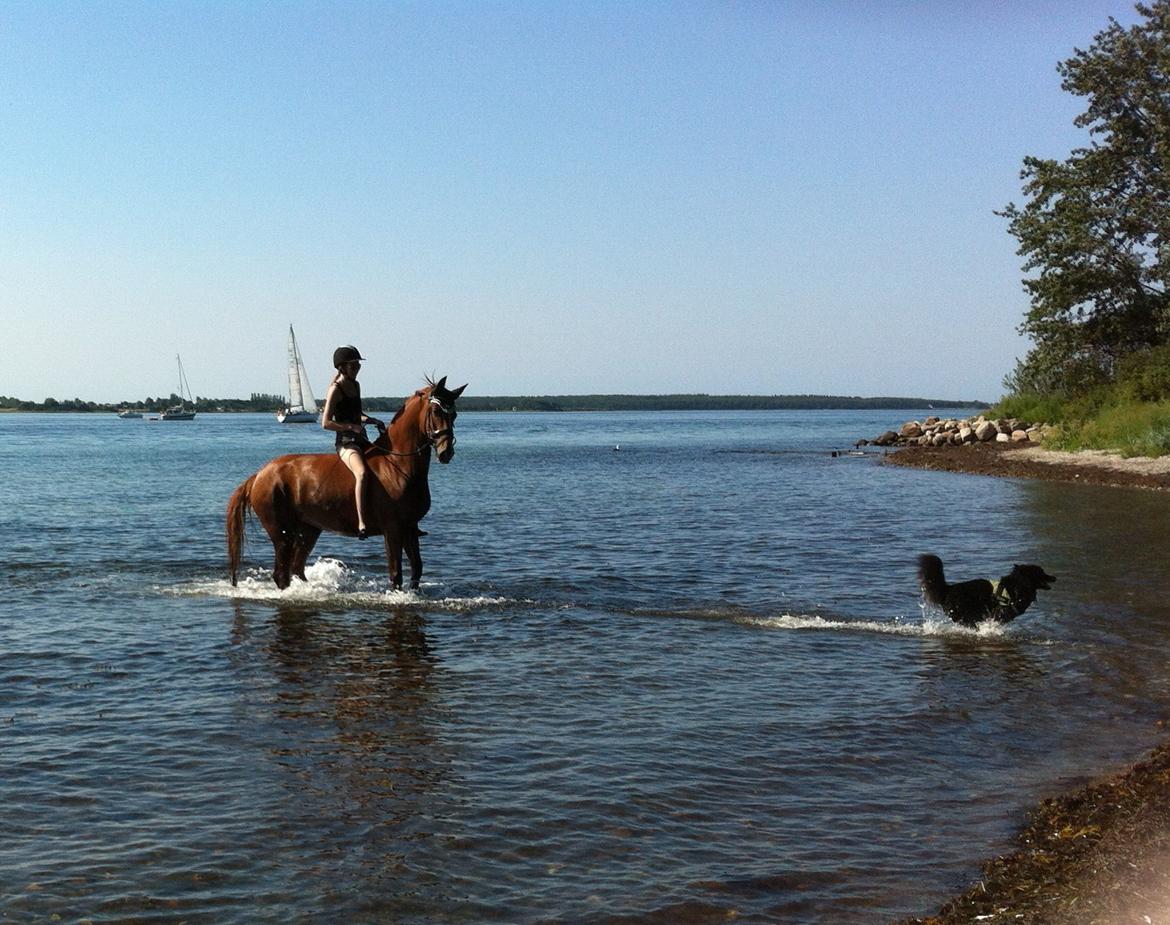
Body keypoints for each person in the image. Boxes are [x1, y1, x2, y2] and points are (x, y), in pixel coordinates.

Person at [321, 345, 383, 539]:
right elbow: (326, 423)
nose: (357, 368)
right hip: (347, 444)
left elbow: (358, 415)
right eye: (353, 365)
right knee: (362, 473)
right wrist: (350, 427)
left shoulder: (356, 385)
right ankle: (362, 521)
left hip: (361, 439)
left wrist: (371, 420)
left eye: (358, 365)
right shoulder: (336, 389)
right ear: (342, 367)